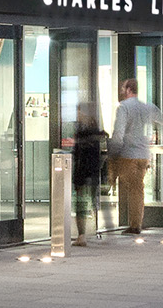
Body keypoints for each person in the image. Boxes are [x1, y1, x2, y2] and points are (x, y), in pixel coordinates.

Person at [106, 80, 163, 235]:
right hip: (143, 156)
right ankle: (135, 223)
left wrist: (113, 153)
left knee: (133, 188)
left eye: (123, 88)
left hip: (129, 155)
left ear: (128, 90)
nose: (121, 91)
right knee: (137, 188)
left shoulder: (124, 107)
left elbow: (119, 133)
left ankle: (134, 225)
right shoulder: (147, 107)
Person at [65, 103, 110, 243]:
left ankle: (82, 235)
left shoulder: (83, 131)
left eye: (79, 112)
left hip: (83, 172)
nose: (77, 115)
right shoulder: (97, 131)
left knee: (81, 204)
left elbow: (80, 153)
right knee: (89, 202)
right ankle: (89, 233)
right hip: (93, 172)